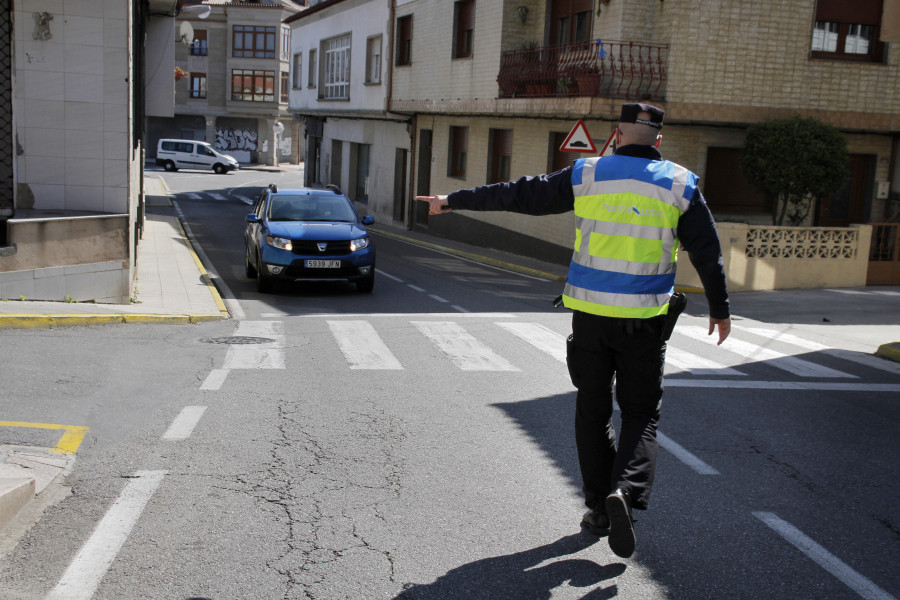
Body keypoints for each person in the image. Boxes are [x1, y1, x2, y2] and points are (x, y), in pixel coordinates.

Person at [416, 103, 731, 559]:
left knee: (592, 409)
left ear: (617, 135)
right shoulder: (679, 183)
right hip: (643, 321)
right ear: (657, 141)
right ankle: (625, 491)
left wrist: (453, 201)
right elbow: (707, 249)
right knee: (641, 414)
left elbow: (521, 194)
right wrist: (720, 308)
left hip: (590, 317)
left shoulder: (588, 173)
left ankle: (598, 510)